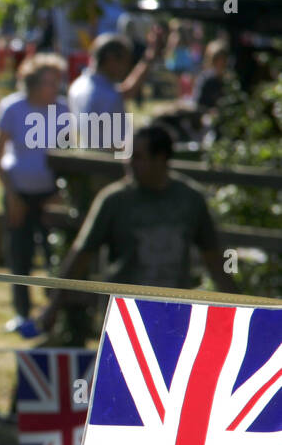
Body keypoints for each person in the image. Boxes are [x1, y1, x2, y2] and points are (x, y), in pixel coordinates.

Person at [37, 125, 237, 332]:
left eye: (138, 156)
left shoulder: (190, 200)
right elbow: (82, 254)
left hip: (174, 315)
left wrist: (239, 306)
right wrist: (54, 305)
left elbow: (213, 259)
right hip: (124, 318)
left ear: (160, 159)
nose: (128, 162)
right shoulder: (114, 200)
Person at [0, 53, 71, 330]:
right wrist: (11, 196)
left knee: (54, 256)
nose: (55, 87)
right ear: (34, 83)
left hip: (50, 196)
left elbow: (69, 156)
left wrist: (59, 193)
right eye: (50, 82)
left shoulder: (63, 111)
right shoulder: (12, 108)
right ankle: (22, 313)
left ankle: (53, 312)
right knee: (20, 255)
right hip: (18, 194)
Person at [68, 26, 167, 152]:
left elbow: (126, 91)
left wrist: (149, 57)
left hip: (87, 158)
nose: (127, 68)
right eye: (126, 61)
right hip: (108, 164)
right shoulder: (108, 96)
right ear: (111, 59)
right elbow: (120, 144)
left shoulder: (78, 86)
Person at [192, 39, 229, 115]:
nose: (221, 63)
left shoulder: (229, 80)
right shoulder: (205, 79)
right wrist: (209, 111)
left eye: (223, 59)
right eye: (218, 59)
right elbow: (198, 103)